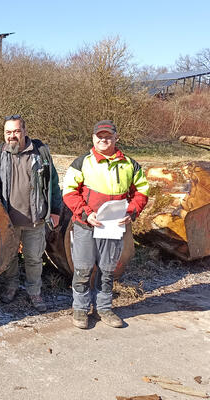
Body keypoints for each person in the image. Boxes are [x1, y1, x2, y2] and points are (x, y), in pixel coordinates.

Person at [63, 120, 149, 329]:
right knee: (83, 269)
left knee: (107, 270)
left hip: (113, 227)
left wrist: (132, 211)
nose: (104, 139)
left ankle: (104, 308)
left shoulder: (130, 164)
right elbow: (69, 191)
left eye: (108, 136)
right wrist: (85, 213)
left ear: (116, 138)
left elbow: (142, 191)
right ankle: (81, 310)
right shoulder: (82, 162)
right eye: (100, 136)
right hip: (86, 225)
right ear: (93, 138)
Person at [0, 115, 61, 312]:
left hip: (35, 219)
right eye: (8, 132)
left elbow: (53, 183)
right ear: (4, 134)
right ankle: (11, 286)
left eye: (16, 131)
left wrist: (56, 210)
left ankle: (34, 291)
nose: (12, 136)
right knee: (10, 257)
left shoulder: (40, 152)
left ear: (24, 131)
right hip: (7, 220)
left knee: (34, 257)